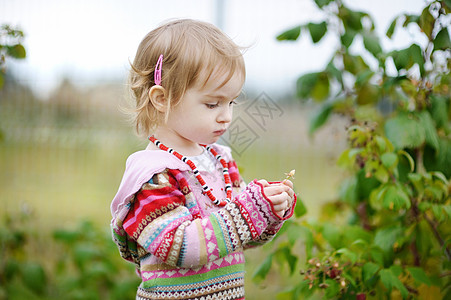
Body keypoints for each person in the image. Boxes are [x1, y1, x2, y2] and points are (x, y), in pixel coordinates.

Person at [110, 19, 297, 300]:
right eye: (212, 104)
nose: (226, 116)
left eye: (231, 102)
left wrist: (269, 211)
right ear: (162, 99)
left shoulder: (221, 161)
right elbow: (181, 247)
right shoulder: (153, 176)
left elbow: (239, 236)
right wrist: (250, 210)